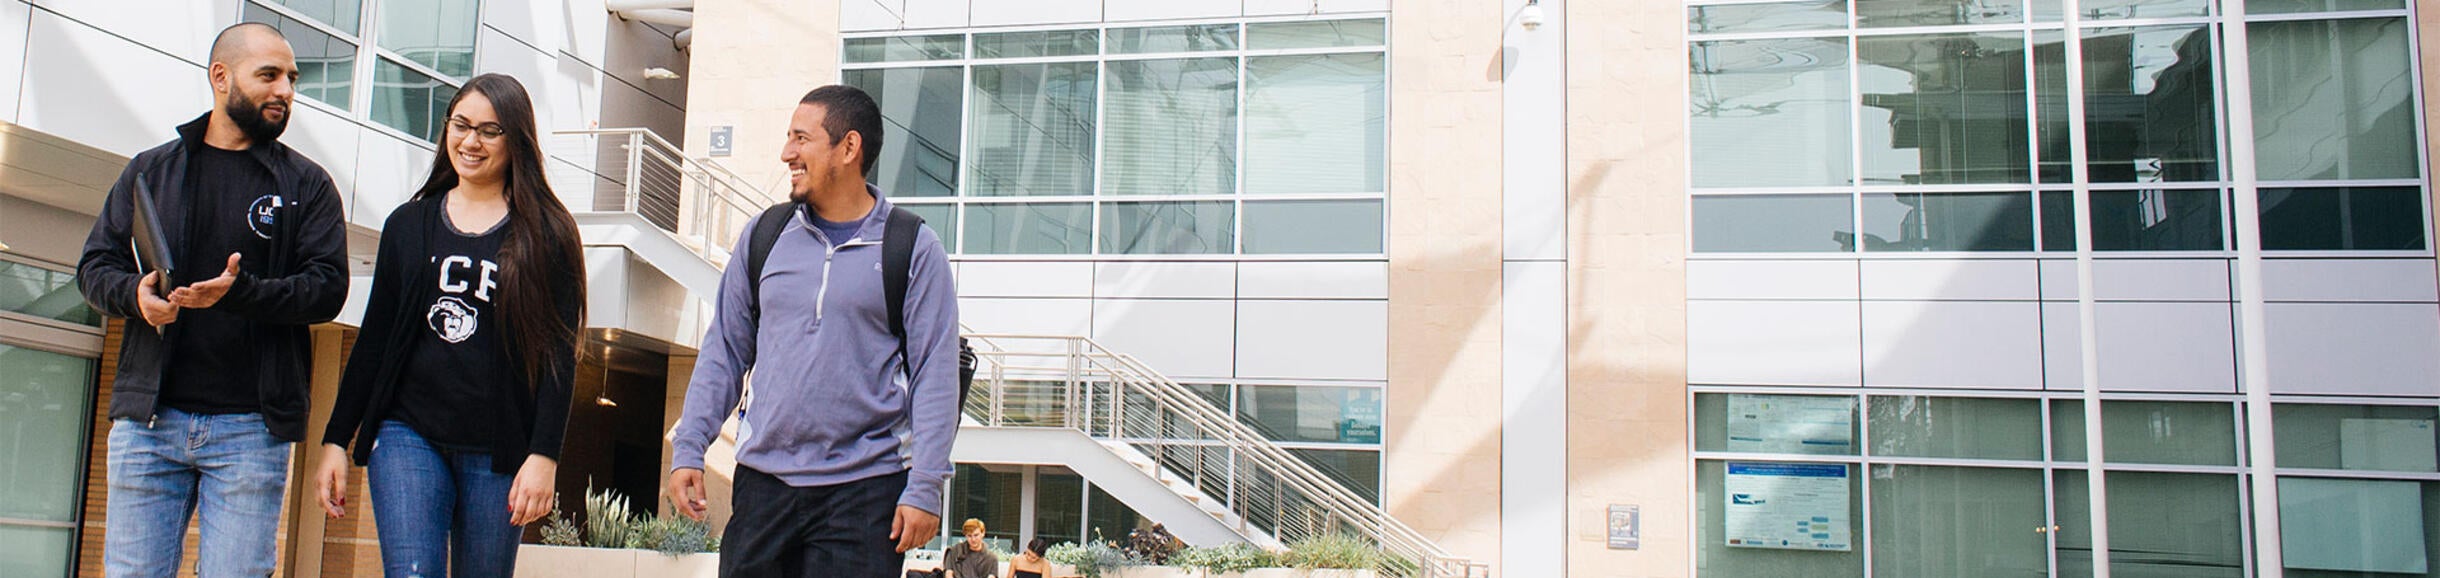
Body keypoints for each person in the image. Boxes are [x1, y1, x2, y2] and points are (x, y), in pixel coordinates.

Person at [76, 22, 349, 578]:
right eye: (269, 75)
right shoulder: (151, 170)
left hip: (251, 428)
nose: (285, 90)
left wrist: (240, 292)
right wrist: (136, 295)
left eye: (292, 79)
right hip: (149, 424)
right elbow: (94, 266)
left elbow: (328, 289)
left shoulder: (307, 184)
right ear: (221, 78)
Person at [664, 84, 962, 577]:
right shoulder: (764, 235)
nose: (786, 153)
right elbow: (725, 351)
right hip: (764, 486)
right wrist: (690, 445)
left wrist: (926, 484)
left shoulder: (912, 246)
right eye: (788, 138)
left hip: (865, 492)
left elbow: (935, 373)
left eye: (801, 139)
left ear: (848, 147)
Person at [310, 73, 586, 578]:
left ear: (516, 140)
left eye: (489, 130)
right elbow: (374, 341)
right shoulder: (408, 225)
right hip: (407, 434)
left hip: (499, 448)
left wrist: (544, 455)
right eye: (460, 125)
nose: (470, 141)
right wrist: (335, 439)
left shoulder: (547, 233)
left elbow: (557, 358)